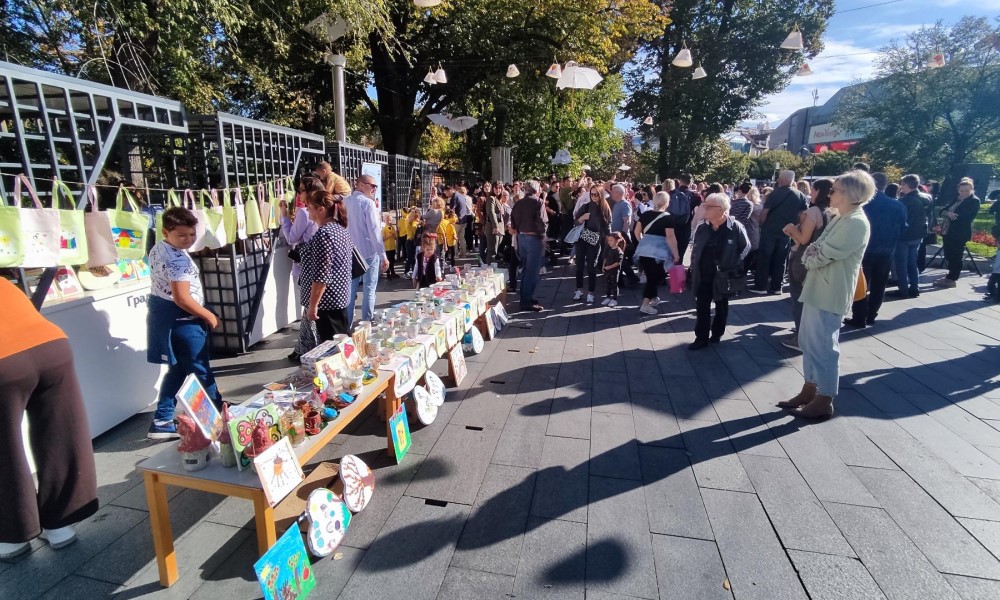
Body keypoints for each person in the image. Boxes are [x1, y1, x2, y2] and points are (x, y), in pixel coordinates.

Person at [0, 279, 99, 559]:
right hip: (51, 346)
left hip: (3, 362)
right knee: (61, 433)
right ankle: (62, 525)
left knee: (4, 448)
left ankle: (12, 536)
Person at [779, 170, 873, 419]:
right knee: (808, 341)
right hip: (817, 287)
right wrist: (813, 253)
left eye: (835, 190)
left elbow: (821, 253)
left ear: (850, 194)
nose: (829, 193)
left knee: (823, 345)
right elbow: (815, 248)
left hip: (831, 291)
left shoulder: (855, 221)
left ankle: (825, 398)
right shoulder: (842, 217)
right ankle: (810, 388)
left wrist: (811, 257)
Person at [146, 206, 222, 440]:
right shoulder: (176, 259)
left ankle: (162, 419)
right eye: (182, 235)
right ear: (166, 231)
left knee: (177, 369)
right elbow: (182, 298)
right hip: (183, 321)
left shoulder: (160, 248)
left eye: (191, 235)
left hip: (169, 318)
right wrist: (208, 315)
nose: (188, 240)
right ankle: (220, 417)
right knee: (199, 370)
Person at [688, 194, 749, 350]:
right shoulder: (702, 227)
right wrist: (693, 268)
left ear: (721, 209)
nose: (705, 209)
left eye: (709, 206)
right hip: (703, 274)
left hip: (723, 276)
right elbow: (694, 249)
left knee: (721, 306)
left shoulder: (735, 227)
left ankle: (717, 334)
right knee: (702, 306)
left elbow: (746, 247)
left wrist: (733, 264)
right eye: (705, 205)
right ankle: (701, 338)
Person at [844, 173, 906, 328]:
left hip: (864, 249)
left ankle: (859, 316)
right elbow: (903, 227)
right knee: (879, 285)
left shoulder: (862, 204)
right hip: (886, 250)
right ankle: (871, 315)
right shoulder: (898, 205)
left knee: (861, 283)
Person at [781, 178, 832, 349]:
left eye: (813, 189)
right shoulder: (833, 212)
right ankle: (806, 333)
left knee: (799, 298)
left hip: (804, 259)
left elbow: (803, 239)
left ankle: (801, 337)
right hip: (820, 259)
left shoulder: (814, 212)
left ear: (818, 191)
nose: (810, 193)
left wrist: (791, 227)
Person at [280, 176, 325, 361]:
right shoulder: (327, 210)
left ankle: (306, 348)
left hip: (305, 266)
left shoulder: (305, 213)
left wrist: (284, 215)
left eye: (301, 190)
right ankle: (306, 347)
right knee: (313, 309)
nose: (299, 193)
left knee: (309, 308)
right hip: (320, 266)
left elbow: (291, 237)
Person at [299, 191, 353, 341]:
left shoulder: (324, 234)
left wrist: (313, 305)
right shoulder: (340, 230)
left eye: (309, 207)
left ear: (321, 209)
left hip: (327, 302)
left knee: (333, 347)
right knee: (341, 342)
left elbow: (322, 275)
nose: (307, 210)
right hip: (339, 297)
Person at [753, 170, 809, 294]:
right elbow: (803, 215)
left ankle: (760, 287)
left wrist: (762, 224)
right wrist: (796, 226)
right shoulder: (800, 195)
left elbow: (764, 212)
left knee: (764, 259)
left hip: (769, 230)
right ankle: (777, 287)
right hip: (787, 232)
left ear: (781, 180)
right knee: (781, 260)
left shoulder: (774, 194)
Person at [345, 174, 389, 327]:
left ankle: (348, 326)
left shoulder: (346, 202)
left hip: (350, 253)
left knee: (350, 291)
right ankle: (366, 323)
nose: (374, 189)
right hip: (369, 252)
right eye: (372, 185)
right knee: (369, 289)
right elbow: (374, 231)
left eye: (375, 186)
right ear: (361, 185)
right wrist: (383, 255)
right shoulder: (367, 203)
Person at [634, 191, 680, 315]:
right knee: (655, 278)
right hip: (659, 254)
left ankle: (653, 298)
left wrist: (643, 242)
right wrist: (676, 254)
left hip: (644, 251)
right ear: (666, 202)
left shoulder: (645, 214)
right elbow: (670, 237)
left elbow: (636, 232)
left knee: (651, 276)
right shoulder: (668, 217)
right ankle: (645, 303)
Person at [890, 174, 933, 298]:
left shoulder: (903, 201)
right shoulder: (927, 197)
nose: (901, 187)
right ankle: (915, 288)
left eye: (902, 184)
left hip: (904, 236)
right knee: (912, 262)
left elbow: (898, 220)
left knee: (901, 264)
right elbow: (929, 216)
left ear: (907, 185)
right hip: (918, 235)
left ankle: (903, 290)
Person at [934, 178, 981, 288]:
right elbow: (942, 211)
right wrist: (948, 213)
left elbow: (965, 217)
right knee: (949, 254)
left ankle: (952, 279)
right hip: (948, 231)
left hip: (959, 233)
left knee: (956, 255)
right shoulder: (957, 199)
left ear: (972, 190)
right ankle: (949, 276)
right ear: (958, 190)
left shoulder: (974, 201)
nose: (964, 193)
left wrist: (951, 214)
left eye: (966, 191)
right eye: (962, 191)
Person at [509, 180, 546, 312]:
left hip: (521, 238)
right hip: (533, 238)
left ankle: (526, 297)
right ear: (537, 190)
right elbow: (542, 221)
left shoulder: (518, 203)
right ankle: (526, 300)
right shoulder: (538, 202)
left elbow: (512, 223)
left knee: (525, 269)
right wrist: (543, 236)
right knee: (532, 271)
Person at [573, 183, 611, 304]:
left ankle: (591, 292)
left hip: (595, 240)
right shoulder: (586, 206)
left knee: (591, 266)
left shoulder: (605, 208)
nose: (594, 197)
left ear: (601, 195)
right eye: (592, 194)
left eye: (596, 194)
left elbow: (607, 226)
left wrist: (609, 242)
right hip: (582, 238)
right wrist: (582, 218)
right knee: (579, 266)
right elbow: (575, 222)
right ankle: (579, 290)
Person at [609, 183, 639, 287]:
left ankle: (632, 278)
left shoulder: (624, 204)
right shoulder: (617, 204)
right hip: (616, 237)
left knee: (620, 260)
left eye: (612, 191)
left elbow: (627, 221)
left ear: (617, 193)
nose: (611, 193)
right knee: (619, 260)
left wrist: (622, 236)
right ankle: (621, 280)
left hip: (621, 238)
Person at [445, 185, 472, 255]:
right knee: (461, 237)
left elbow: (452, 210)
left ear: (449, 190)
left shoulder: (454, 197)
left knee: (454, 237)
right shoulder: (461, 195)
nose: (446, 194)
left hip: (457, 221)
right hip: (464, 219)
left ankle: (455, 254)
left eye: (446, 193)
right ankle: (463, 253)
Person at [601, 233, 626, 307]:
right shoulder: (608, 249)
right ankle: (608, 297)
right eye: (608, 240)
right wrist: (603, 266)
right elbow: (605, 258)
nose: (609, 242)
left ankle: (614, 299)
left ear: (617, 241)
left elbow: (618, 263)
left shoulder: (619, 251)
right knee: (607, 284)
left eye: (611, 240)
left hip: (614, 271)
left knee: (614, 285)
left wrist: (609, 267)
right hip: (607, 270)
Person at [382, 214, 399, 279]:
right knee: (388, 261)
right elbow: (382, 239)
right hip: (387, 248)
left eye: (390, 220)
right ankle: (388, 273)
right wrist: (388, 236)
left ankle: (393, 272)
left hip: (392, 247)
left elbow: (395, 237)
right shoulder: (384, 229)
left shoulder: (392, 228)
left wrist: (394, 235)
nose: (389, 221)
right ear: (385, 220)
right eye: (387, 220)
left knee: (392, 260)